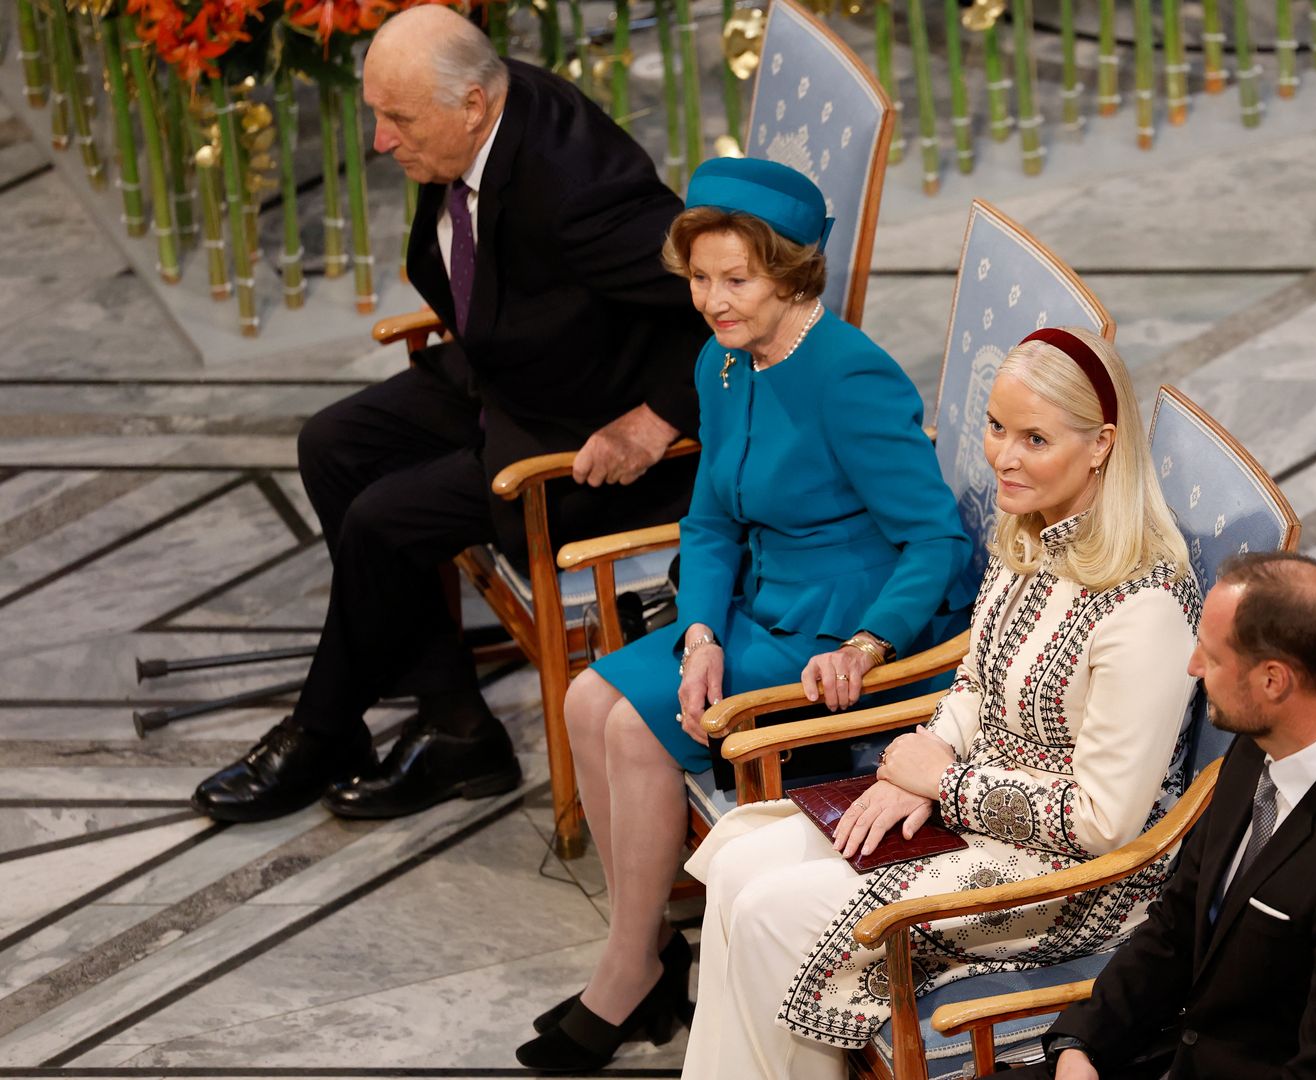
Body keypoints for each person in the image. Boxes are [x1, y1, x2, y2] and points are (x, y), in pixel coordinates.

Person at [189, 6, 710, 826]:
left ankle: (324, 726)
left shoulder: (581, 187)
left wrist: (652, 421)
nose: (382, 141)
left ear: (471, 103)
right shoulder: (481, 121)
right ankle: (456, 721)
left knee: (382, 521)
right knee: (332, 445)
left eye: (397, 118)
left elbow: (724, 300)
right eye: (377, 114)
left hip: (582, 436)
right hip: (509, 373)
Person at [514, 157, 976, 1073]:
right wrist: (698, 633)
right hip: (755, 610)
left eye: (737, 279)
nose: (714, 301)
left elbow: (937, 542)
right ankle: (645, 957)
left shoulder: (850, 377)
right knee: (584, 705)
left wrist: (867, 639)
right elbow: (712, 518)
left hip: (841, 639)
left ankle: (625, 975)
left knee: (640, 733)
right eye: (699, 279)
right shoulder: (720, 362)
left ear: (791, 273)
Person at [679, 327, 1204, 1080]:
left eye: (1035, 438)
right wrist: (913, 769)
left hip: (1077, 882)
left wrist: (944, 783)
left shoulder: (1146, 603)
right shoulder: (1031, 532)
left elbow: (1104, 822)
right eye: (996, 428)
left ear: (1101, 445)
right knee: (736, 861)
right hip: (969, 810)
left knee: (772, 915)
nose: (1005, 457)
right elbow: (974, 684)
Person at [1012, 552, 1316, 1080]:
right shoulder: (1258, 749)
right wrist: (1080, 1044)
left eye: (1213, 655)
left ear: (1273, 681)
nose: (1193, 666)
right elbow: (1178, 926)